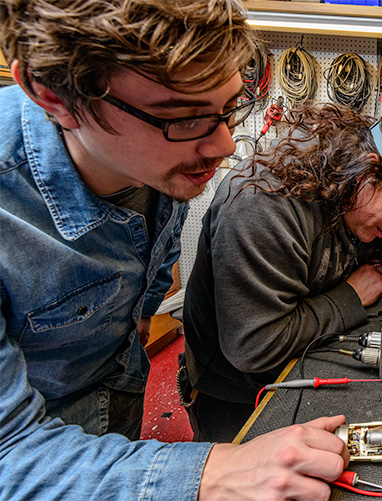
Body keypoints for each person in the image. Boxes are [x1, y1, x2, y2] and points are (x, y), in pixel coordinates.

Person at [0, 1, 348, 499]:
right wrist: (212, 473)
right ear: (50, 94)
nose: (225, 145)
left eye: (229, 107)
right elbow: (8, 453)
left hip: (112, 419)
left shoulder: (163, 163)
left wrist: (139, 317)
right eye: (184, 118)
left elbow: (154, 269)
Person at [181, 104, 382, 443]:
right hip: (238, 392)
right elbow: (254, 347)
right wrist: (352, 298)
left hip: (308, 363)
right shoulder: (262, 204)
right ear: (368, 172)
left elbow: (380, 254)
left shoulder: (361, 199)